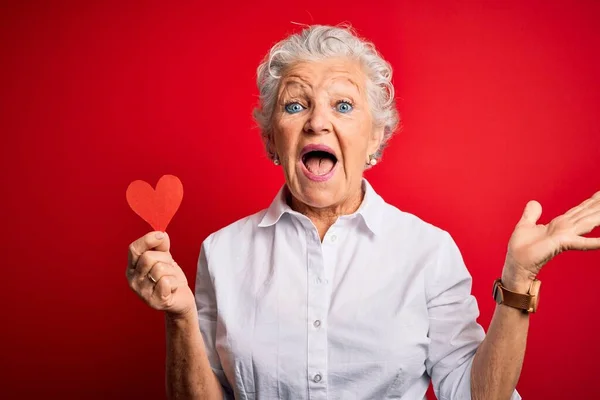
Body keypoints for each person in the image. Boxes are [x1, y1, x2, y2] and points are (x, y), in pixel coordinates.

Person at [126, 25, 600, 399]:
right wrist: (181, 316)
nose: (317, 121)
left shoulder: (427, 252)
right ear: (272, 139)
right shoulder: (221, 252)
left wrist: (517, 283)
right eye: (295, 105)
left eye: (343, 104)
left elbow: (478, 397)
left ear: (375, 137)